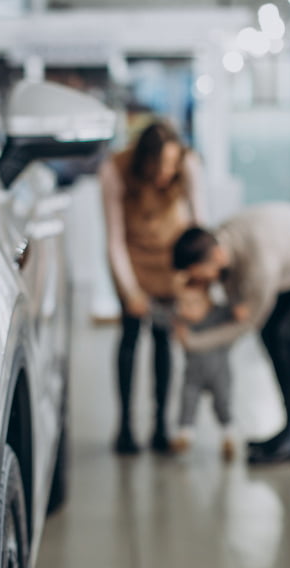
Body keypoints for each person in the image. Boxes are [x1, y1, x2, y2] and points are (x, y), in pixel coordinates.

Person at [171, 202, 290, 464]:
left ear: (215, 257)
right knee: (271, 333)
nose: (202, 283)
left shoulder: (259, 262)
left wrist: (194, 342)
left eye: (200, 276)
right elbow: (234, 292)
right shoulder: (218, 239)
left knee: (289, 336)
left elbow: (246, 323)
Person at [100, 120, 207, 455]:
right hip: (131, 257)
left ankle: (161, 424)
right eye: (159, 164)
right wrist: (130, 290)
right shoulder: (114, 170)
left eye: (171, 164)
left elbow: (198, 226)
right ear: (143, 159)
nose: (166, 171)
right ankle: (125, 427)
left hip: (169, 259)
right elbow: (114, 239)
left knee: (163, 339)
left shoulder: (188, 164)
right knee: (130, 337)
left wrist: (196, 281)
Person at [171, 276, 237, 461]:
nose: (187, 308)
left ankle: (229, 435)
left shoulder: (218, 315)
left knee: (222, 404)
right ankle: (185, 433)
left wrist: (241, 310)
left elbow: (236, 311)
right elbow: (161, 315)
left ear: (208, 301)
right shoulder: (181, 321)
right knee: (187, 401)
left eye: (193, 303)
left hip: (219, 373)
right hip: (193, 375)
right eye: (182, 303)